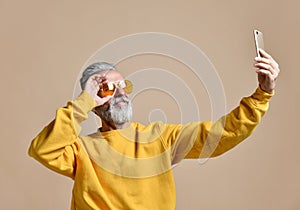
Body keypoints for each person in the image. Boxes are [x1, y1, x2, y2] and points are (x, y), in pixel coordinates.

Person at [28, 49, 280, 210]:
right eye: (106, 89)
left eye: (123, 86)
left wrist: (262, 94)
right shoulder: (81, 150)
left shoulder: (159, 137)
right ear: (93, 103)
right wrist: (84, 100)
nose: (119, 94)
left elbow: (220, 135)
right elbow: (42, 149)